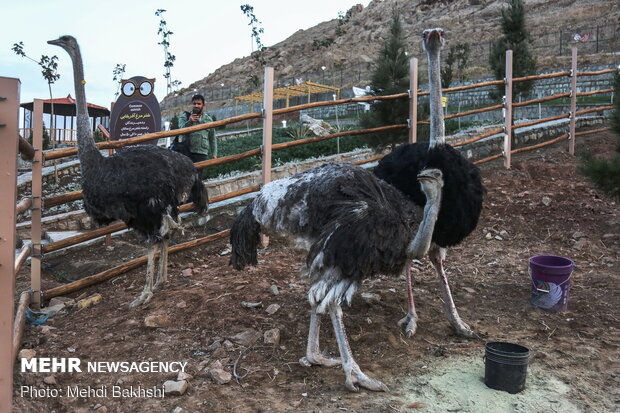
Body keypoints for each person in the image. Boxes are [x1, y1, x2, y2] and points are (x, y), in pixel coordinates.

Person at [174, 94, 217, 163]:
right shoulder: (185, 116)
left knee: (199, 172)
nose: (196, 106)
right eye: (194, 103)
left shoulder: (208, 120)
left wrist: (214, 154)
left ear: (203, 105)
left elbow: (212, 138)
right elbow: (181, 130)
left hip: (202, 153)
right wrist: (189, 122)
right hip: (187, 151)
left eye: (199, 104)